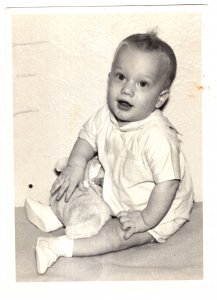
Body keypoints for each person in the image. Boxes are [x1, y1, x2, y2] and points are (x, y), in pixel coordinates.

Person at [27, 31, 194, 274]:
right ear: (109, 79)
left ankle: (60, 247)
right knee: (82, 176)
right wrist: (76, 165)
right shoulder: (105, 115)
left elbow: (167, 185)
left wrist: (144, 220)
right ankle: (58, 214)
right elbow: (87, 137)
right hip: (120, 185)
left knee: (120, 234)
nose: (127, 90)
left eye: (142, 83)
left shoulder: (158, 136)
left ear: (160, 98)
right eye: (121, 77)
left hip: (158, 207)